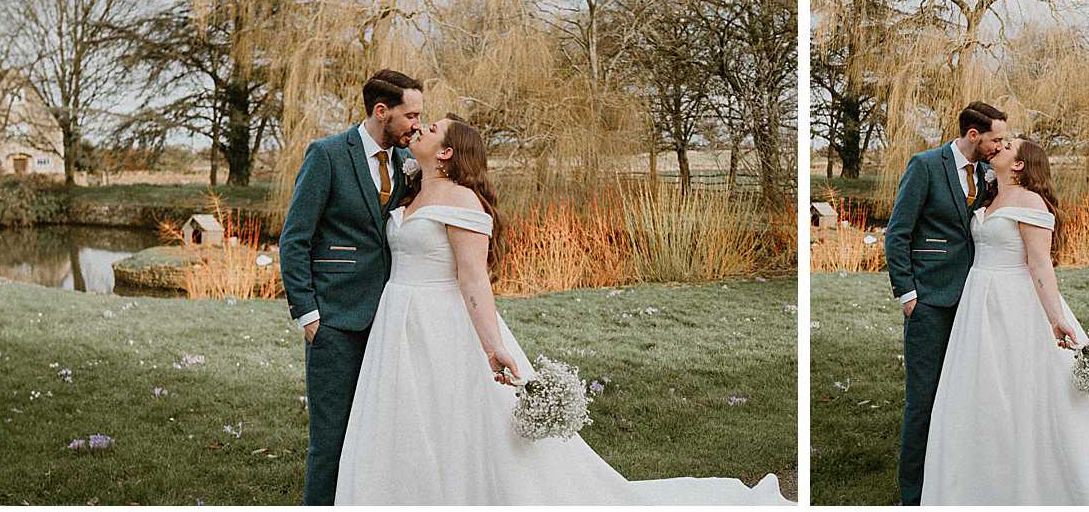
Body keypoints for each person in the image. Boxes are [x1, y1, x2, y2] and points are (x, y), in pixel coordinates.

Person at [333, 114, 792, 505]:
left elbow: (472, 280)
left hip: (441, 325)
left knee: (454, 418)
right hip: (398, 322)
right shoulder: (411, 194)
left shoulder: (462, 201)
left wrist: (493, 347)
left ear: (448, 151)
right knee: (406, 419)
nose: (420, 129)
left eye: (431, 128)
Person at [921, 138, 1089, 504]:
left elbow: (1039, 265)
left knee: (1025, 389)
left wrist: (1056, 319)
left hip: (1015, 304)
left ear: (1019, 165)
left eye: (1006, 148)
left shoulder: (1030, 203)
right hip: (978, 303)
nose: (997, 149)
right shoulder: (990, 196)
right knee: (981, 388)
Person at [278, 69, 422, 505]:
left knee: (377, 436)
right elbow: (295, 237)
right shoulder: (326, 155)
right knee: (332, 439)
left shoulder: (405, 162)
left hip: (388, 323)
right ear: (382, 111)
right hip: (335, 322)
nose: (417, 123)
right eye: (410, 114)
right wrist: (309, 314)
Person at [883, 101, 1008, 505]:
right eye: (996, 139)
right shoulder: (924, 166)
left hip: (974, 301)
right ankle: (914, 495)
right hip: (930, 303)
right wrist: (908, 294)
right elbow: (897, 232)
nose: (1000, 145)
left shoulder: (990, 172)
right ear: (974, 135)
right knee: (923, 400)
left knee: (965, 398)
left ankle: (956, 484)